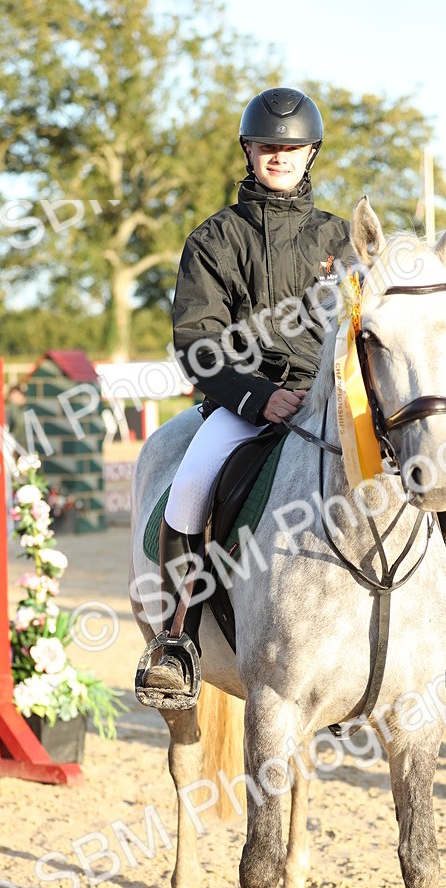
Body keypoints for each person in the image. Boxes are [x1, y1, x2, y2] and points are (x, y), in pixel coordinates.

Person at [139, 86, 353, 703]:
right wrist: (258, 397)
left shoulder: (340, 240)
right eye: (267, 147)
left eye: (292, 147)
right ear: (249, 152)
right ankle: (177, 640)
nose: (280, 157)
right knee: (189, 488)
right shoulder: (214, 239)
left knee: (432, 480)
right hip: (245, 404)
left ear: (311, 151)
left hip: (329, 403)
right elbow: (196, 342)